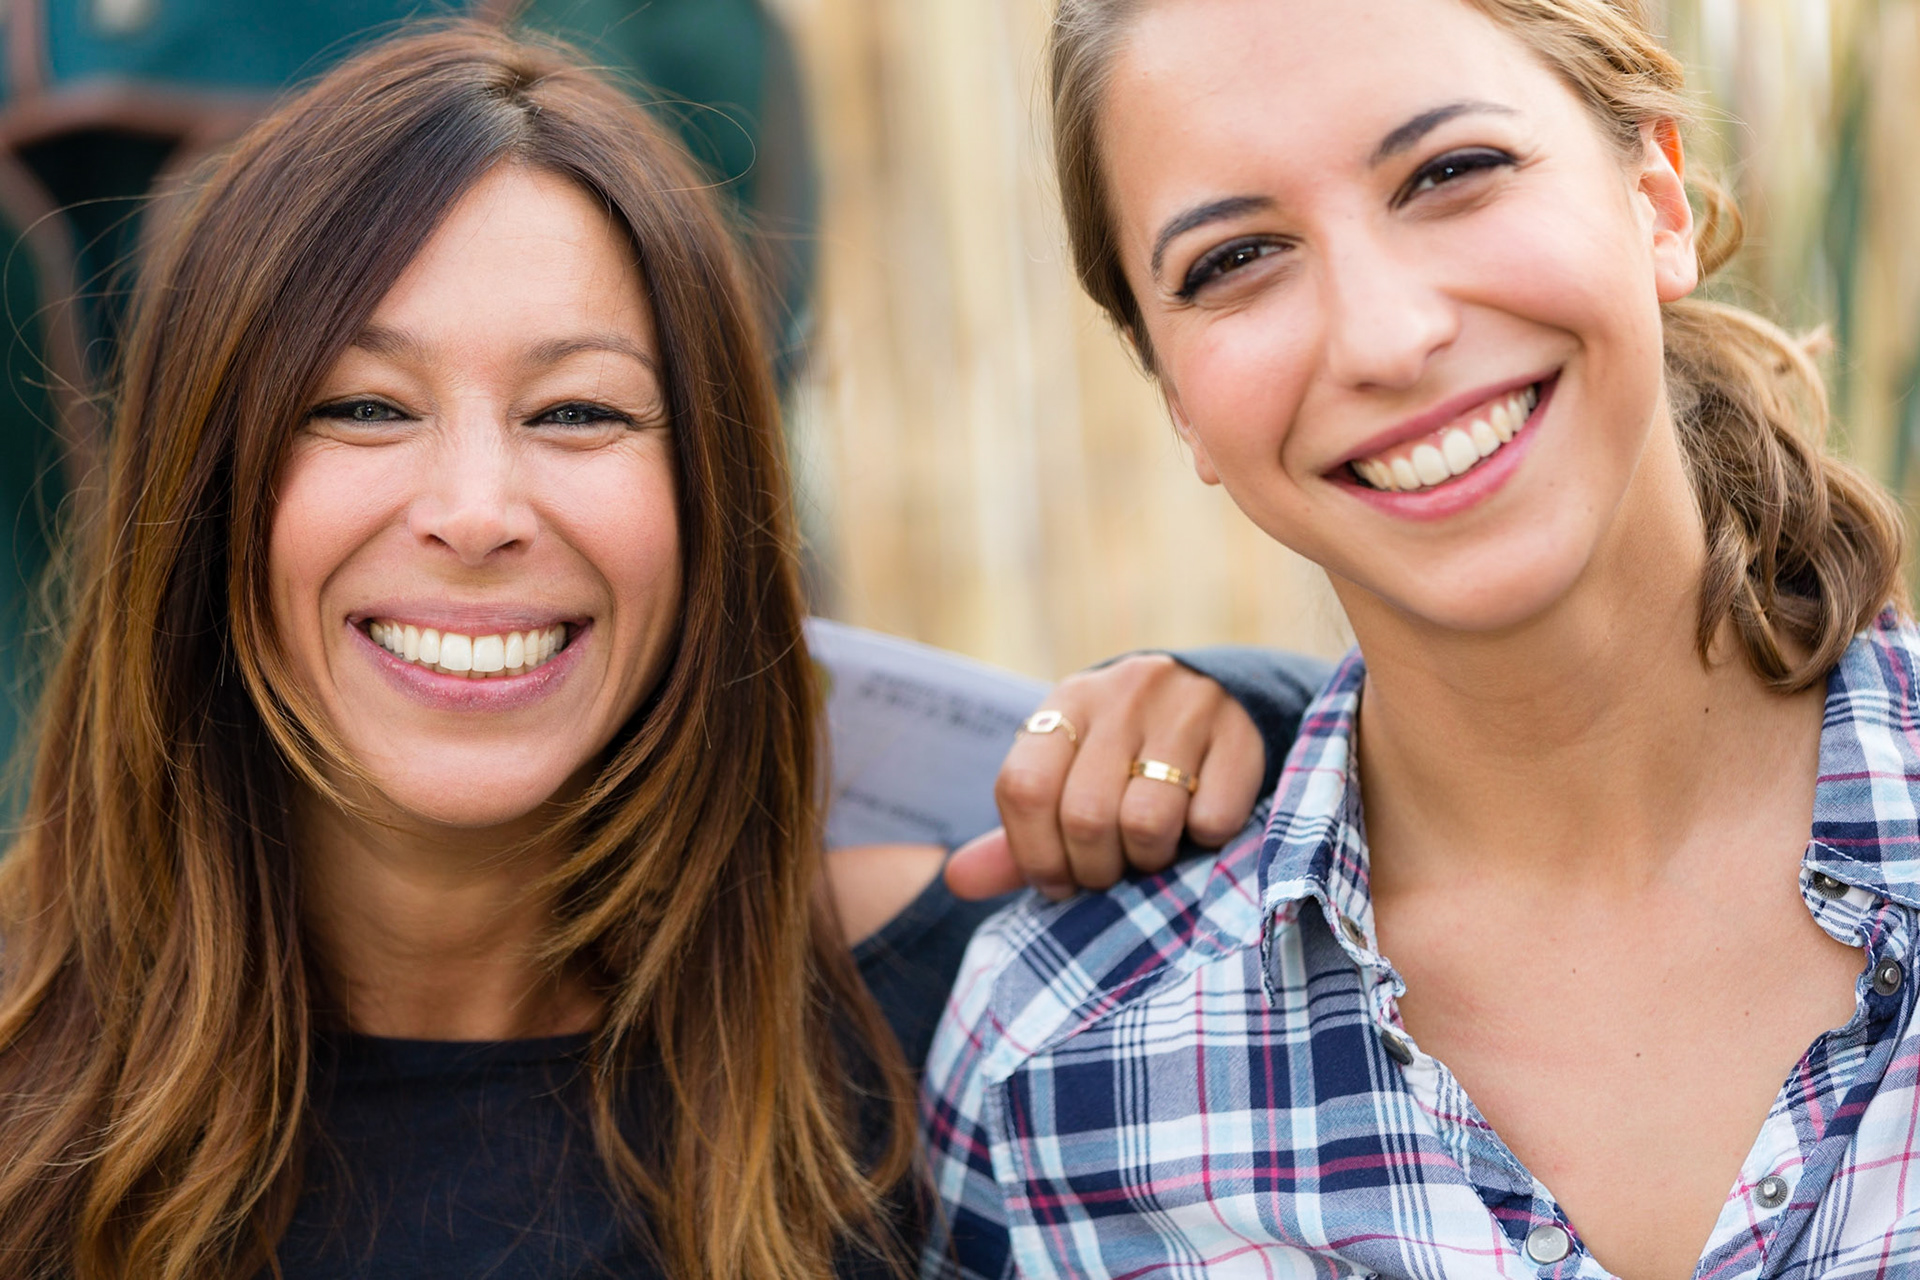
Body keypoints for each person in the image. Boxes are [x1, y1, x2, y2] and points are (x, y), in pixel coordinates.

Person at [0, 21, 1321, 1280]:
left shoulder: (971, 1006)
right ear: (204, 492)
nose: (475, 512)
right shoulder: (27, 1071)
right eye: (360, 406)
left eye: (579, 411)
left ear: (713, 504)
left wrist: (1261, 718)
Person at [922, 1, 1919, 1277]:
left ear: (1656, 198)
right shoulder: (1061, 1056)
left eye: (1452, 173)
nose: (1388, 337)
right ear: (1175, 393)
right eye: (1234, 260)